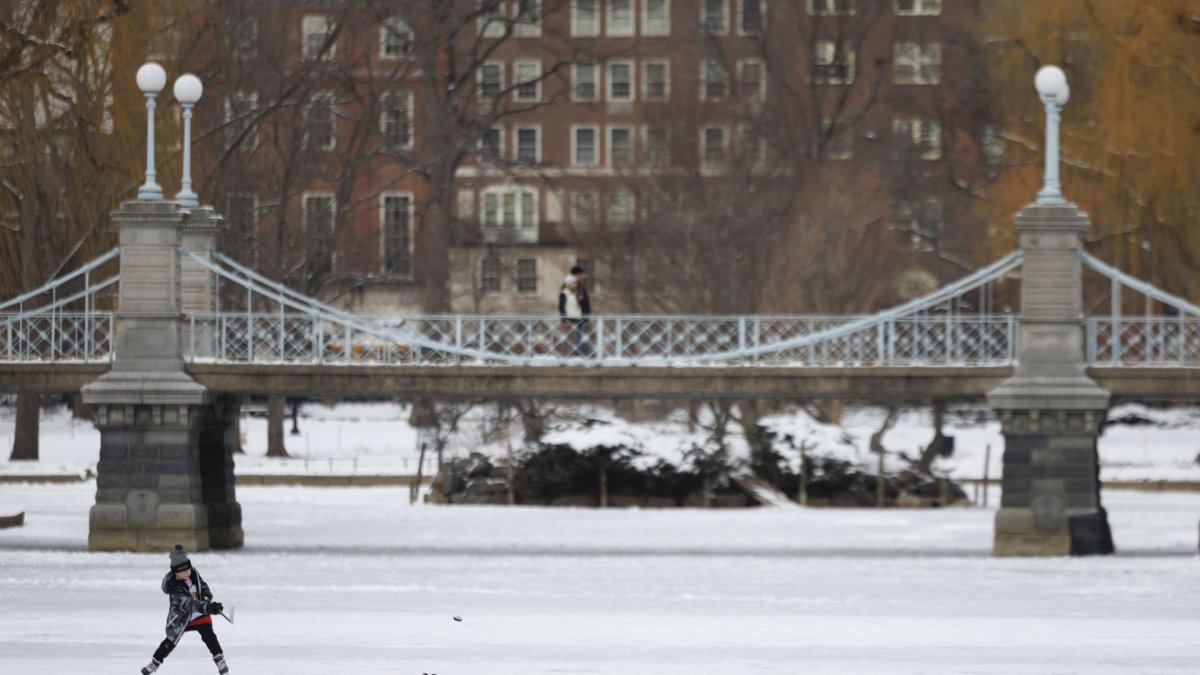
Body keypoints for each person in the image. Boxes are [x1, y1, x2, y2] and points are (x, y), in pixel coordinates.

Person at [141, 545, 230, 675]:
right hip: (181, 618)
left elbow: (203, 586)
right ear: (175, 572)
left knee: (209, 636)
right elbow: (189, 604)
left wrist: (206, 597)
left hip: (200, 614)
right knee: (170, 641)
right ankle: (154, 663)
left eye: (188, 568)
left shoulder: (194, 574)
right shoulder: (175, 589)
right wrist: (208, 608)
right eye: (183, 571)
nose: (187, 572)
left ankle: (219, 659)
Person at [558, 265, 591, 356]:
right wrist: (563, 319)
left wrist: (586, 316)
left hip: (580, 316)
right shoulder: (565, 290)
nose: (581, 277)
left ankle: (577, 354)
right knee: (568, 337)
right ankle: (566, 355)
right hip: (569, 317)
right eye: (579, 275)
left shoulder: (581, 288)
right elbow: (562, 305)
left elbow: (584, 303)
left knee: (580, 337)